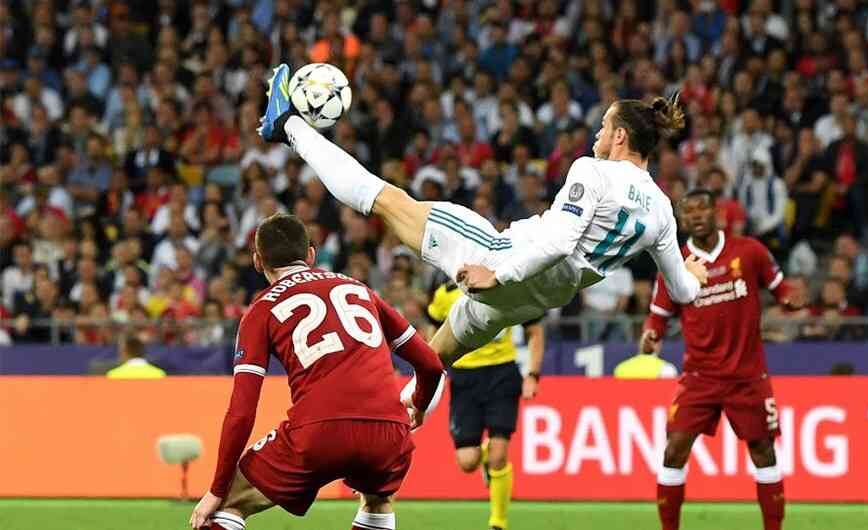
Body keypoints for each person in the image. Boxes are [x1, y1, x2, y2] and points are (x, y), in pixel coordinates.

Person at [257, 63, 708, 369]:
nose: (598, 133)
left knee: (387, 201)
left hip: (502, 261)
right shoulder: (661, 209)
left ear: (621, 136)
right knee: (431, 364)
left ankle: (287, 124)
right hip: (530, 303)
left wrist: (498, 274)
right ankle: (402, 419)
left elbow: (559, 243)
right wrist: (694, 274)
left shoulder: (593, 171)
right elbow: (683, 291)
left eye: (605, 126)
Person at [188, 214, 444, 530]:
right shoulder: (359, 289)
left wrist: (216, 489)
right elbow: (431, 364)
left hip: (318, 431)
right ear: (310, 254)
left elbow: (242, 412)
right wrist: (419, 404)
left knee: (229, 503)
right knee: (378, 501)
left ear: (257, 261)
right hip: (388, 431)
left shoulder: (261, 310)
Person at [639, 189, 805, 530]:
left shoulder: (749, 251)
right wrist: (651, 334)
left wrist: (791, 299)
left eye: (702, 209)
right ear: (682, 220)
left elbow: (780, 288)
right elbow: (658, 316)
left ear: (718, 214)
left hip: (748, 376)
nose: (696, 216)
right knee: (674, 450)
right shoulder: (675, 263)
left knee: (763, 451)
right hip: (699, 377)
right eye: (688, 212)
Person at [426, 281, 545, 530]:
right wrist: (433, 372)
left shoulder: (508, 286)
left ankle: (498, 522)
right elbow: (433, 334)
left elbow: (535, 331)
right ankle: (486, 458)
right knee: (467, 461)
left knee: (499, 455)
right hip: (464, 378)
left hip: (502, 373)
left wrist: (532, 374)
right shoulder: (445, 294)